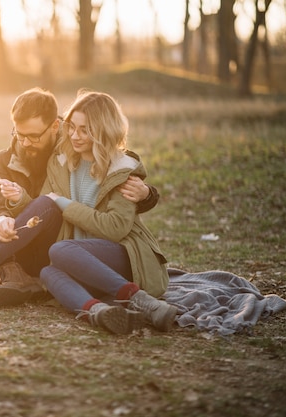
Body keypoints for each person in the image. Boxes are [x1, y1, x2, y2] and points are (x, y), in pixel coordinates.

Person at [0, 88, 159, 307]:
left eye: (33, 136)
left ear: (55, 126)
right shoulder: (8, 158)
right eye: (19, 134)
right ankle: (12, 273)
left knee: (47, 204)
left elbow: (111, 175)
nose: (25, 143)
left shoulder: (70, 148)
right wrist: (2, 215)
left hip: (56, 241)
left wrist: (148, 195)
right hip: (18, 237)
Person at [14, 90, 177, 333]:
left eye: (85, 130)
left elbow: (115, 228)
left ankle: (143, 302)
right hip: (79, 256)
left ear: (103, 130)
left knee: (59, 250)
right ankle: (99, 312)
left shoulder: (121, 169)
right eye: (72, 127)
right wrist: (18, 200)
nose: (74, 136)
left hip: (124, 253)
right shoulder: (61, 162)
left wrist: (66, 205)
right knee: (48, 272)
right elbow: (46, 203)